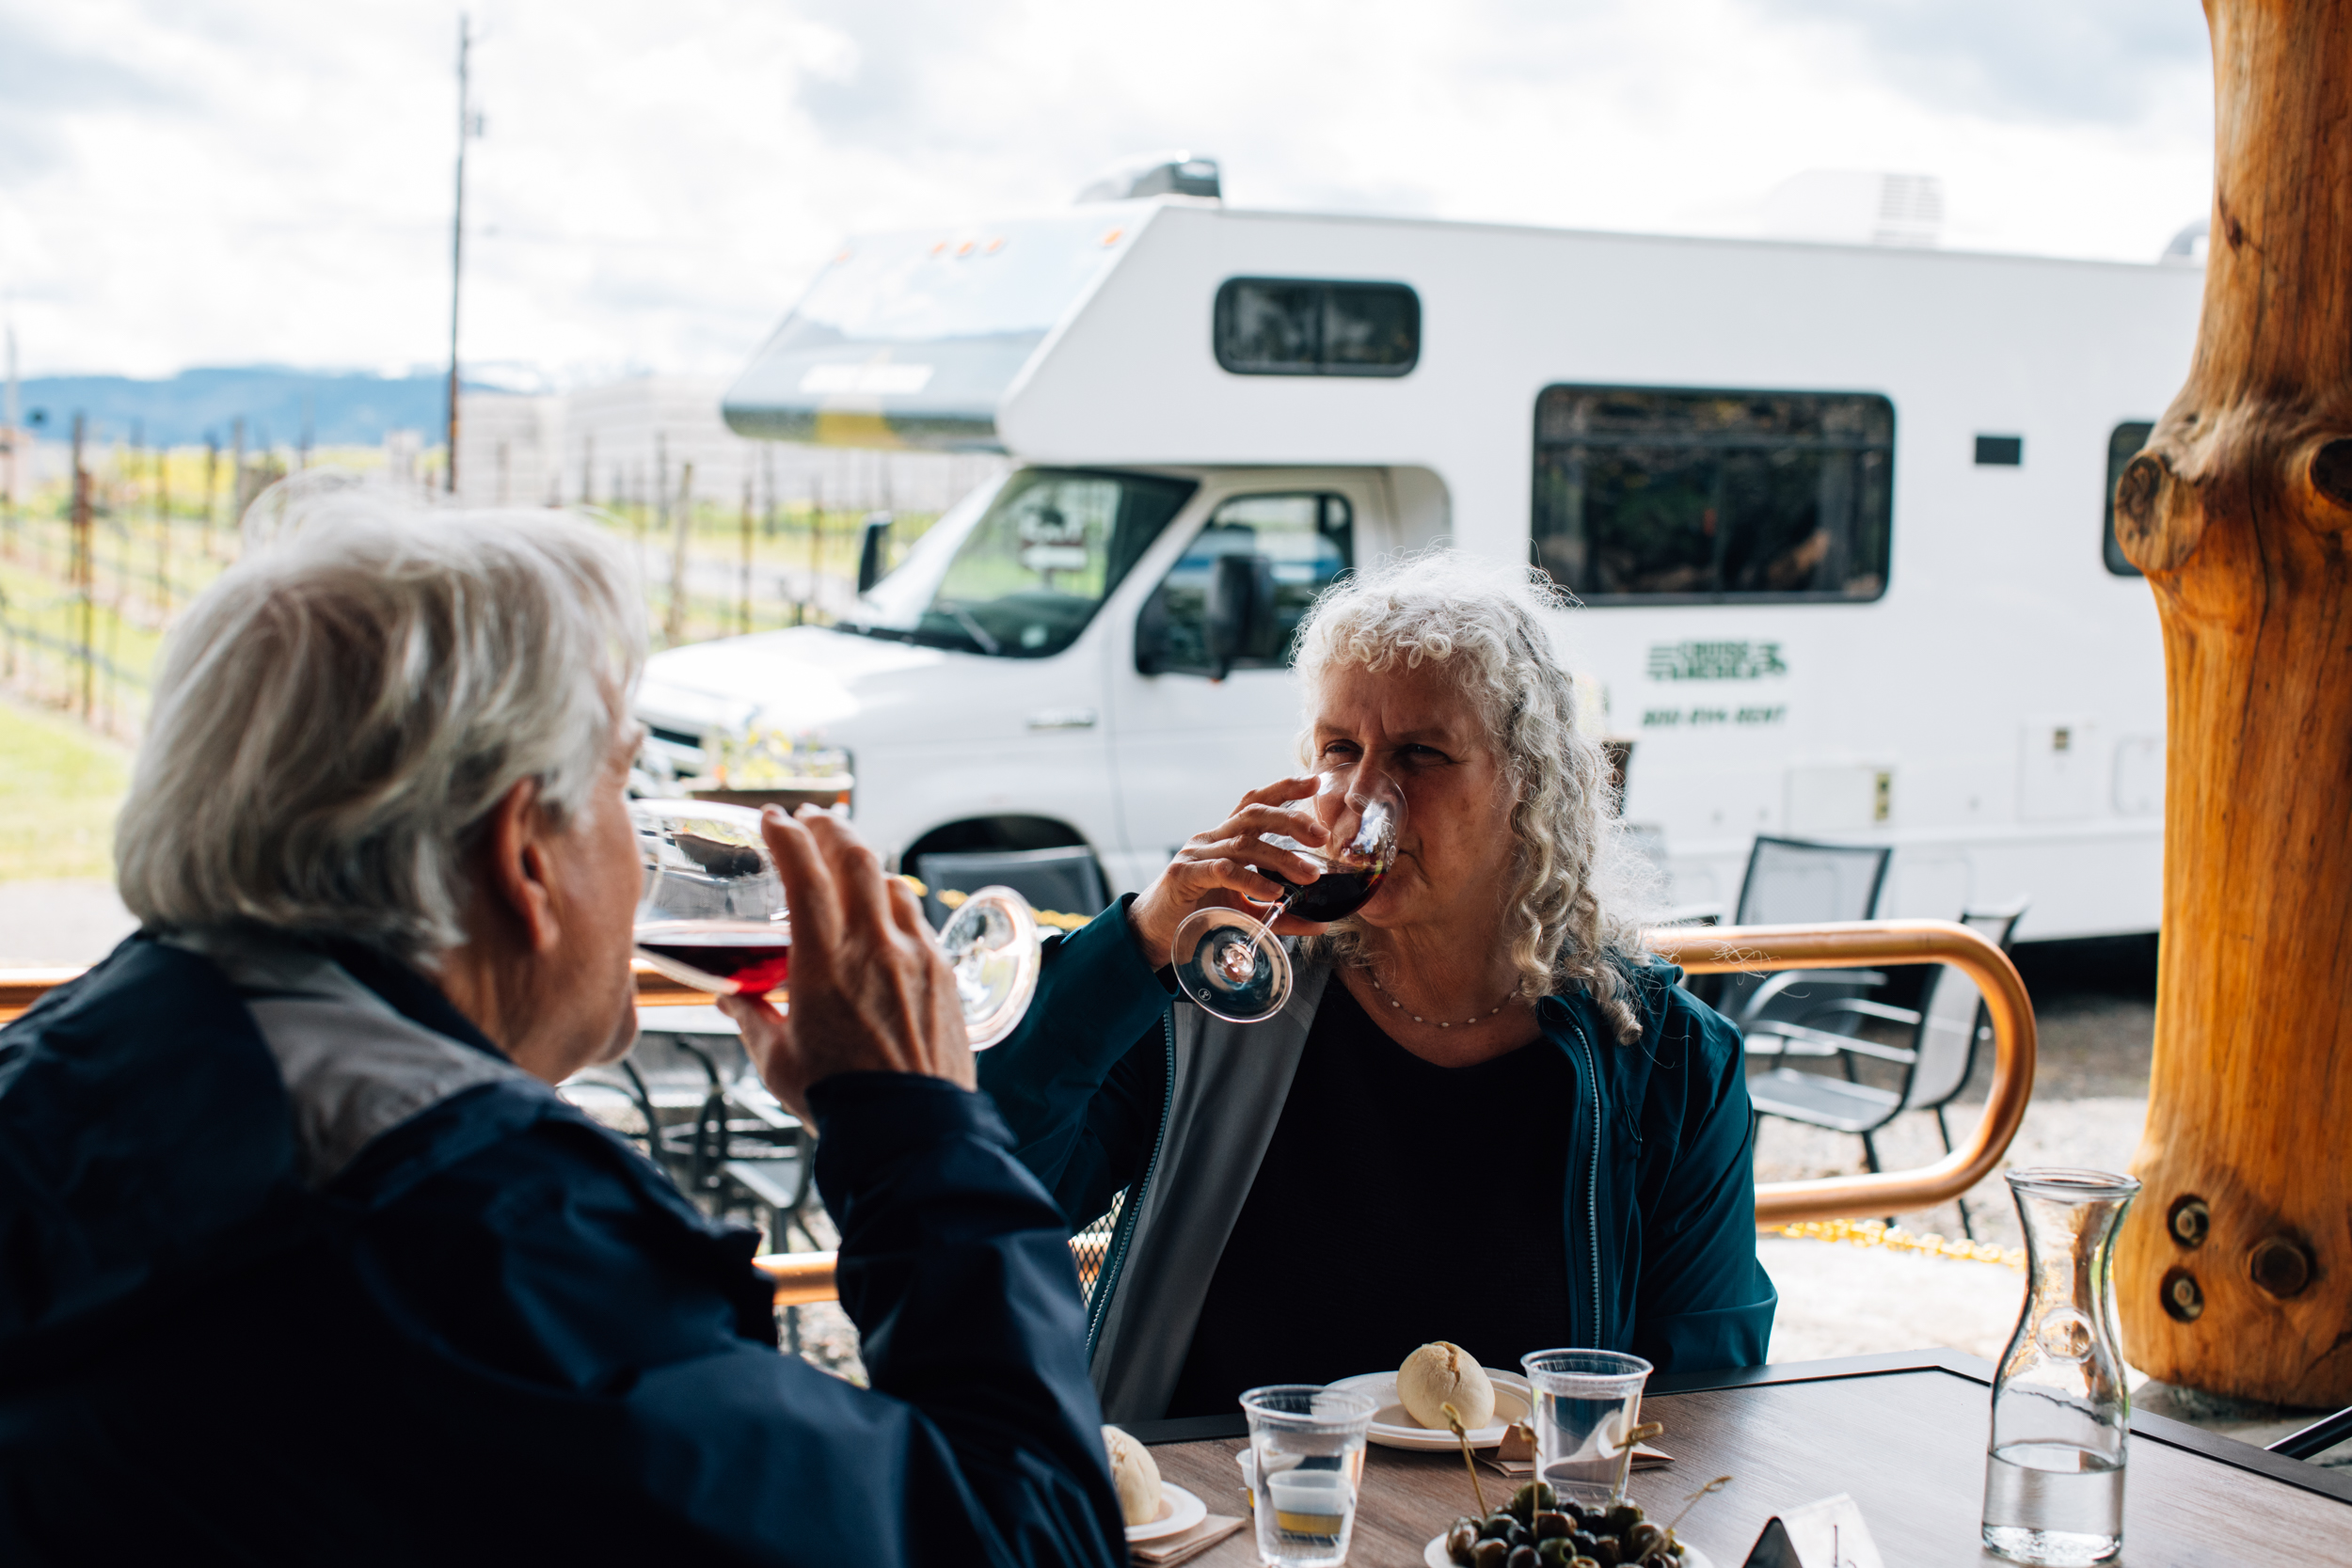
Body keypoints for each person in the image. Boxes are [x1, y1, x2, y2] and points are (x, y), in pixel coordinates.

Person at [0, 498, 1125, 1566]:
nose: (644, 853)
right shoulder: (475, 1242)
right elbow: (1021, 1532)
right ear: (523, 857)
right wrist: (918, 1129)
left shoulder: (63, 1079)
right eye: (625, 789)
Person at [979, 552, 1776, 1423]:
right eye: (1339, 749)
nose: (1361, 797)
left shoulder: (1665, 1059)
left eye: (1420, 753)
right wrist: (1137, 944)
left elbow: (1704, 1398)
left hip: (1501, 1536)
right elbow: (997, 1188)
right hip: (1221, 1516)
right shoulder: (1217, 996)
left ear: (1530, 785)